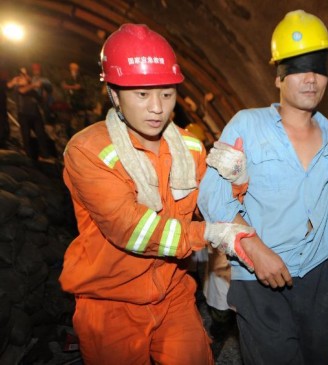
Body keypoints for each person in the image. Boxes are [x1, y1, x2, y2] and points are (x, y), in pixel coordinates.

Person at [58, 23, 256, 365]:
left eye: (167, 94)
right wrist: (207, 233)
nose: (157, 108)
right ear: (114, 95)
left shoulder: (190, 147)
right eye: (142, 94)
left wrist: (237, 178)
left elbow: (215, 207)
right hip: (110, 303)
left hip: (174, 294)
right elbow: (132, 229)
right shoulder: (89, 151)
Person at [198, 10, 328, 365]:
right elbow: (211, 195)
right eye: (299, 69)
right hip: (258, 277)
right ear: (279, 77)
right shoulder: (247, 126)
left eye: (318, 68)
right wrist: (254, 248)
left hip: (318, 275)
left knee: (317, 357)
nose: (311, 79)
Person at [6, 67, 55, 161]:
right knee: (26, 136)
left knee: (41, 134)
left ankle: (44, 155)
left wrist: (44, 95)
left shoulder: (32, 89)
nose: (23, 77)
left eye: (25, 75)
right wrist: (34, 85)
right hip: (24, 115)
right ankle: (29, 157)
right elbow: (22, 91)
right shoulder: (17, 87)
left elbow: (40, 99)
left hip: (35, 114)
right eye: (22, 75)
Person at [61, 62, 91, 134]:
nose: (75, 70)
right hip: (70, 101)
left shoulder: (80, 77)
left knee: (80, 121)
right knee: (70, 120)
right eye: (74, 69)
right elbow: (64, 86)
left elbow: (82, 86)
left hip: (79, 102)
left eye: (76, 69)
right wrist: (74, 87)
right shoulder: (66, 76)